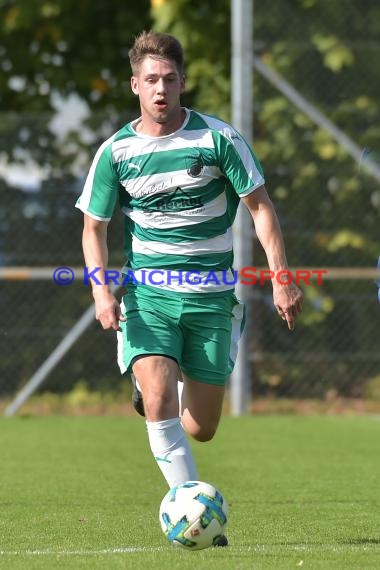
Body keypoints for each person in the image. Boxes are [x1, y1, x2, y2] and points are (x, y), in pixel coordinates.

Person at [76, 31, 303, 545]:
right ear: (135, 84)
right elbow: (93, 227)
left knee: (201, 427)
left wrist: (282, 278)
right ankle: (194, 517)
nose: (161, 89)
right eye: (151, 80)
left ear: (183, 83)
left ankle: (167, 386)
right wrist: (100, 291)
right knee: (158, 398)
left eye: (170, 79)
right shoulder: (116, 152)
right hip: (148, 295)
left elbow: (260, 207)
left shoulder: (218, 138)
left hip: (212, 297)